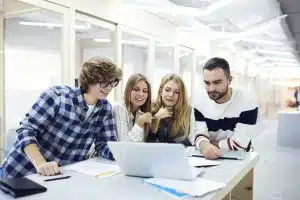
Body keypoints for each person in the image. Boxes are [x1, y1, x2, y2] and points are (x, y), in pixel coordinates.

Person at [1, 57, 122, 178]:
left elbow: (105, 144)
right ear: (90, 79)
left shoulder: (105, 109)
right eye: (104, 82)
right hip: (20, 172)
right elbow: (26, 130)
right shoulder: (57, 96)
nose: (109, 87)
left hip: (58, 177)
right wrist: (41, 164)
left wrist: (125, 156)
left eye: (113, 82)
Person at [194, 57, 258, 160]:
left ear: (229, 80)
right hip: (207, 157)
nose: (211, 89)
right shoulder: (199, 101)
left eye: (217, 82)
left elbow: (241, 143)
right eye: (207, 83)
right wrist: (204, 145)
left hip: (240, 157)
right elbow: (198, 134)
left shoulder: (247, 100)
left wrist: (206, 144)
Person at [148, 74, 198, 146]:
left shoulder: (188, 110)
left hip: (179, 155)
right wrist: (156, 118)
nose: (171, 95)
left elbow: (186, 141)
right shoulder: (151, 107)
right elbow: (148, 142)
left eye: (177, 92)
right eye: (167, 90)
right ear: (161, 91)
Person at [112, 74, 152, 142]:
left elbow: (139, 144)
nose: (141, 94)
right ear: (128, 90)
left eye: (145, 91)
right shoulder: (119, 108)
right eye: (136, 89)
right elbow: (124, 144)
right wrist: (139, 122)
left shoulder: (140, 112)